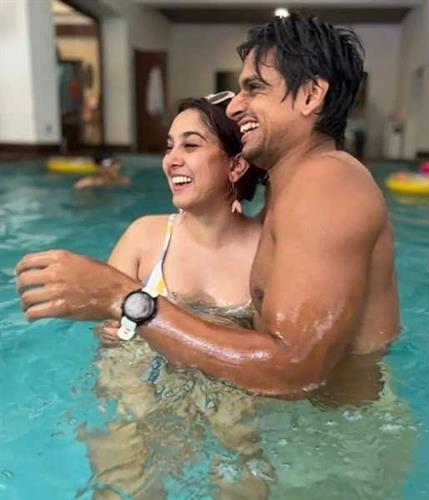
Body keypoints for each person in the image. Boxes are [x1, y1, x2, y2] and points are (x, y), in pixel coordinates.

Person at [16, 12, 400, 401]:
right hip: (317, 422)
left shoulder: (326, 184)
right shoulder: (290, 193)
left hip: (345, 431)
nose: (234, 107)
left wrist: (123, 298)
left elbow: (293, 370)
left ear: (311, 95)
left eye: (254, 87)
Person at [82, 94, 266, 498]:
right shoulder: (144, 237)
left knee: (241, 454)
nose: (171, 160)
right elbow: (106, 334)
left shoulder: (267, 251)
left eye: (191, 145)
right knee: (123, 463)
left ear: (236, 165)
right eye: (169, 147)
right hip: (143, 389)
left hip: (230, 397)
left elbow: (280, 353)